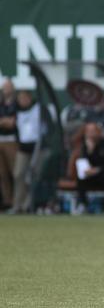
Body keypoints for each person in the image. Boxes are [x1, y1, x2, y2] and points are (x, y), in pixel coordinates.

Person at [75, 122, 104, 215]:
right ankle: (82, 204)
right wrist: (90, 151)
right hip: (91, 176)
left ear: (98, 132)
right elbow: (82, 163)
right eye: (88, 131)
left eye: (93, 131)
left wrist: (97, 169)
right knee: (81, 177)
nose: (91, 134)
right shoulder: (85, 146)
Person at [10, 91, 41, 214]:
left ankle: (28, 205)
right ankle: (17, 205)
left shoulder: (37, 109)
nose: (22, 101)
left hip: (37, 146)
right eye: (20, 98)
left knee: (33, 176)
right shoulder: (16, 111)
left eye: (24, 98)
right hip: (23, 147)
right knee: (18, 174)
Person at [0, 80, 18, 209]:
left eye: (8, 87)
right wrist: (5, 122)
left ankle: (17, 201)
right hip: (0, 139)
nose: (6, 90)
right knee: (2, 173)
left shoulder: (17, 104)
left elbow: (14, 123)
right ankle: (7, 201)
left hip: (12, 140)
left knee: (14, 172)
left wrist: (6, 122)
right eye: (4, 87)